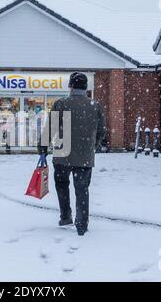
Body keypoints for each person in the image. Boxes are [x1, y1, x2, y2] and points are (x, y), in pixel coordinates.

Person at [38, 72, 106, 236]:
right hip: (85, 156)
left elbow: (51, 128)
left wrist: (43, 148)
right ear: (85, 87)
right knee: (82, 189)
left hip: (62, 153)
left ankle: (66, 216)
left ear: (70, 86)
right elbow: (101, 132)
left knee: (62, 184)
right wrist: (92, 146)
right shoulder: (95, 106)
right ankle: (82, 223)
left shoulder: (61, 104)